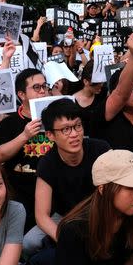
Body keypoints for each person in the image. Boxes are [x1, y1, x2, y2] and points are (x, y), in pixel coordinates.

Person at [25, 98, 110, 254]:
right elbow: (41, 215)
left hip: (100, 211)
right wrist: (66, 239)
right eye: (65, 129)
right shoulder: (47, 163)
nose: (74, 134)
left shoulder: (101, 149)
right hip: (65, 217)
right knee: (29, 243)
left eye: (77, 126)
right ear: (50, 135)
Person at [0, 66, 51, 231]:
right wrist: (24, 136)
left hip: (52, 188)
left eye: (45, 86)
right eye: (36, 87)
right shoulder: (10, 122)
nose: (43, 91)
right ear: (21, 95)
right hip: (20, 191)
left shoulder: (54, 118)